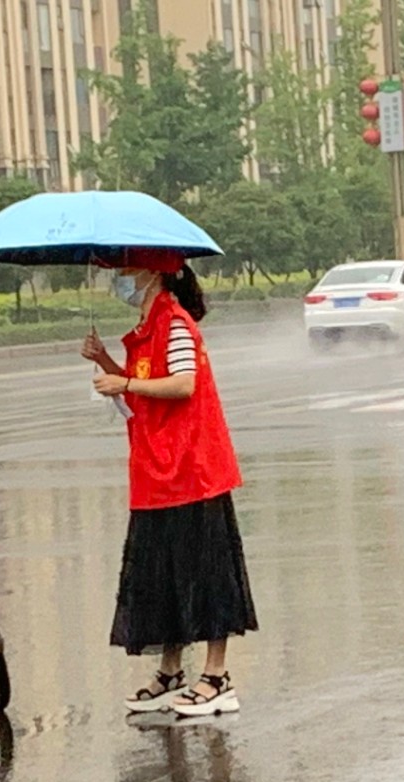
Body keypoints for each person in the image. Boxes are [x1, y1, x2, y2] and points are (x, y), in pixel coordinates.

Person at [81, 249, 257, 716]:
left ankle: (217, 678)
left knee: (206, 573)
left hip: (192, 471)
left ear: (152, 273)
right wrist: (105, 361)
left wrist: (124, 385)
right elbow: (144, 389)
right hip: (156, 471)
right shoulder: (145, 329)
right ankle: (171, 672)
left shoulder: (175, 323)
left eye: (125, 270)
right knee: (163, 574)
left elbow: (182, 384)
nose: (119, 279)